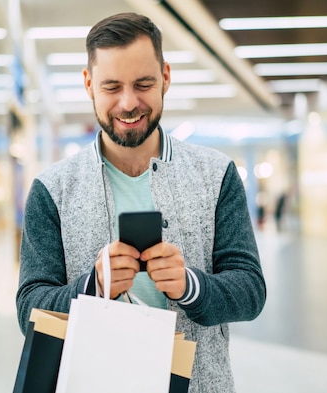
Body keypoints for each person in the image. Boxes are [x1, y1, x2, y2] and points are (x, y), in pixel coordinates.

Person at [16, 12, 266, 392]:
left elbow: (250, 290)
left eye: (143, 84)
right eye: (112, 86)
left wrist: (189, 286)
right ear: (88, 84)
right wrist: (93, 287)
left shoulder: (215, 175)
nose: (128, 103)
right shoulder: (53, 189)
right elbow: (29, 309)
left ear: (165, 76)